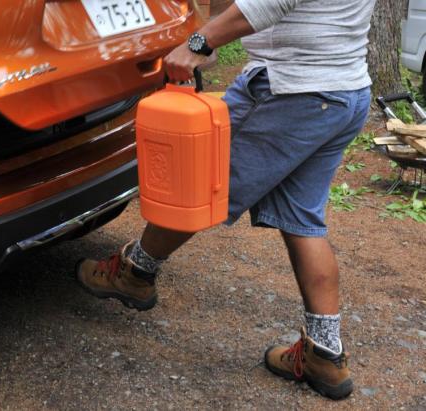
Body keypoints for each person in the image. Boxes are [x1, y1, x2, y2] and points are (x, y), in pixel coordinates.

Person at [75, 0, 377, 400]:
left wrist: (198, 43)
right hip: (343, 91)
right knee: (302, 219)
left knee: (198, 183)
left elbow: (270, 4)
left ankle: (134, 273)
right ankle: (325, 351)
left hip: (292, 91)